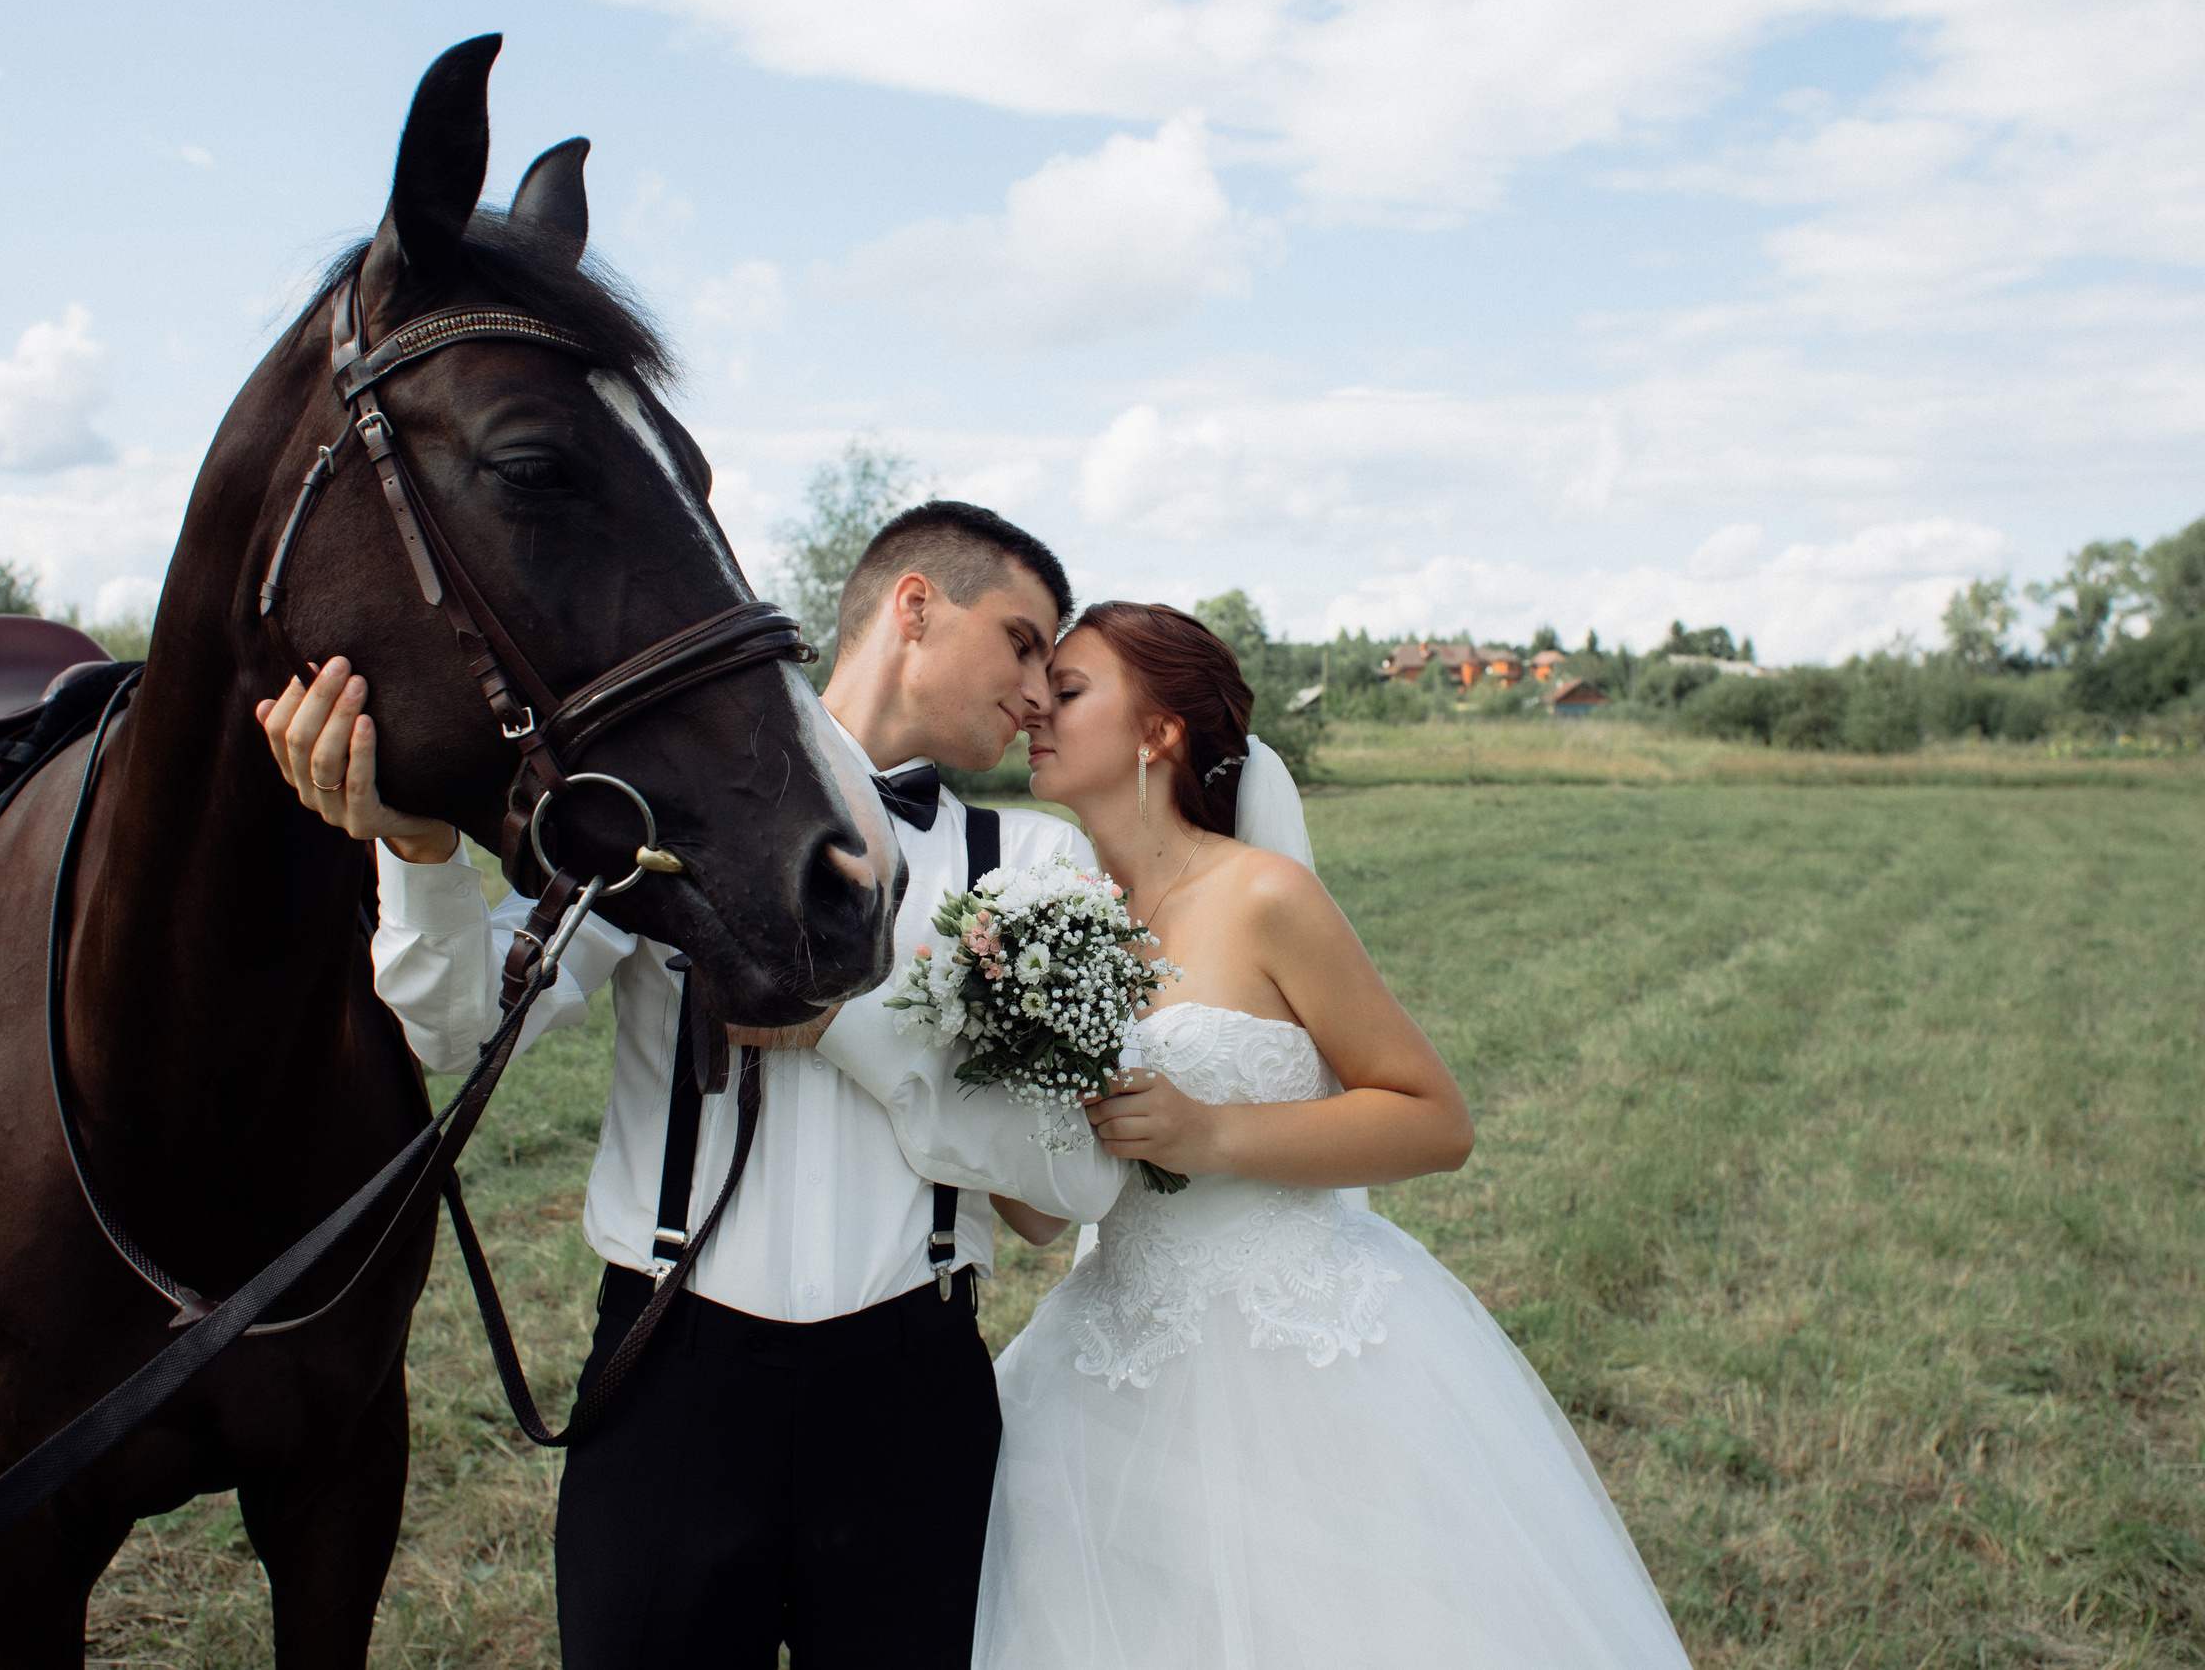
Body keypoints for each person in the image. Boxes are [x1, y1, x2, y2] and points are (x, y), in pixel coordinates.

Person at [256, 501, 1128, 1669]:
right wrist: (415, 857)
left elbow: (1059, 1184)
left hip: (914, 1394)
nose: (1036, 688)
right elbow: (461, 1029)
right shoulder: (661, 812)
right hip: (673, 1379)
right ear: (915, 607)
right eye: (1022, 640)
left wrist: (837, 1021)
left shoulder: (1031, 866)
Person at [974, 602, 1694, 1669]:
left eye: (1069, 692)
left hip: (1291, 1351)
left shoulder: (1263, 895)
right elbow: (1038, 1216)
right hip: (1105, 1353)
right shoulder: (1052, 927)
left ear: (1158, 731)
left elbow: (1432, 1118)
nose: (1034, 708)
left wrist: (1209, 1132)